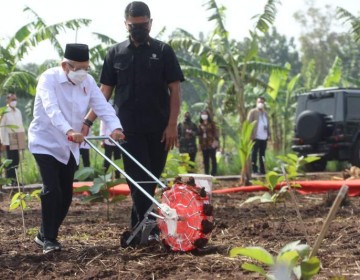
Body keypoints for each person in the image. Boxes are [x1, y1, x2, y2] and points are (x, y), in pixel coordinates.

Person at [82, 1, 184, 241]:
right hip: (127, 130)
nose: (139, 29)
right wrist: (87, 121)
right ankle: (150, 228)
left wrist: (171, 125)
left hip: (160, 129)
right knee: (138, 178)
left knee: (150, 180)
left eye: (143, 25)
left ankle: (139, 232)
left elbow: (175, 91)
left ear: (150, 23)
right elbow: (104, 92)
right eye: (133, 25)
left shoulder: (164, 51)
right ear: (125, 24)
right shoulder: (115, 53)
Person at [28, 43, 124, 254]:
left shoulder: (88, 82)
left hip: (71, 145)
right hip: (45, 141)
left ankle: (44, 233)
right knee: (52, 189)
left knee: (66, 195)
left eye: (86, 68)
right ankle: (50, 240)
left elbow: (102, 106)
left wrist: (116, 127)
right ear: (65, 65)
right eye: (78, 68)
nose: (83, 72)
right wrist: (69, 130)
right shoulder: (48, 79)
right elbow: (51, 109)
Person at [0, 93, 25, 185]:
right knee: (10, 160)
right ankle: (9, 180)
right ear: (7, 100)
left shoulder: (18, 111)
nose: (14, 101)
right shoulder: (5, 111)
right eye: (12, 99)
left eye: (15, 99)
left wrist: (22, 139)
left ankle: (15, 180)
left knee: (16, 160)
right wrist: (2, 141)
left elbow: (21, 125)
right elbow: (2, 127)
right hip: (8, 138)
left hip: (18, 137)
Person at [247, 96, 271, 175]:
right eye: (259, 102)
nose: (261, 104)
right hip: (255, 137)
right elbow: (249, 123)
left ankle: (262, 170)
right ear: (256, 103)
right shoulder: (253, 112)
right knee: (254, 153)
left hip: (264, 137)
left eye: (262, 102)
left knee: (262, 154)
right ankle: (254, 170)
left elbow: (268, 125)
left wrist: (269, 134)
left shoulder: (265, 113)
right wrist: (250, 135)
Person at [198, 110, 219, 176]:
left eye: (205, 114)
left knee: (213, 158)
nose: (204, 115)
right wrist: (199, 144)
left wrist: (215, 141)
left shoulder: (212, 123)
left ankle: (213, 173)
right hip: (204, 144)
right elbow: (199, 135)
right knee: (205, 159)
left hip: (211, 143)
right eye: (202, 114)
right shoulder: (200, 125)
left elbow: (216, 133)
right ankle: (206, 173)